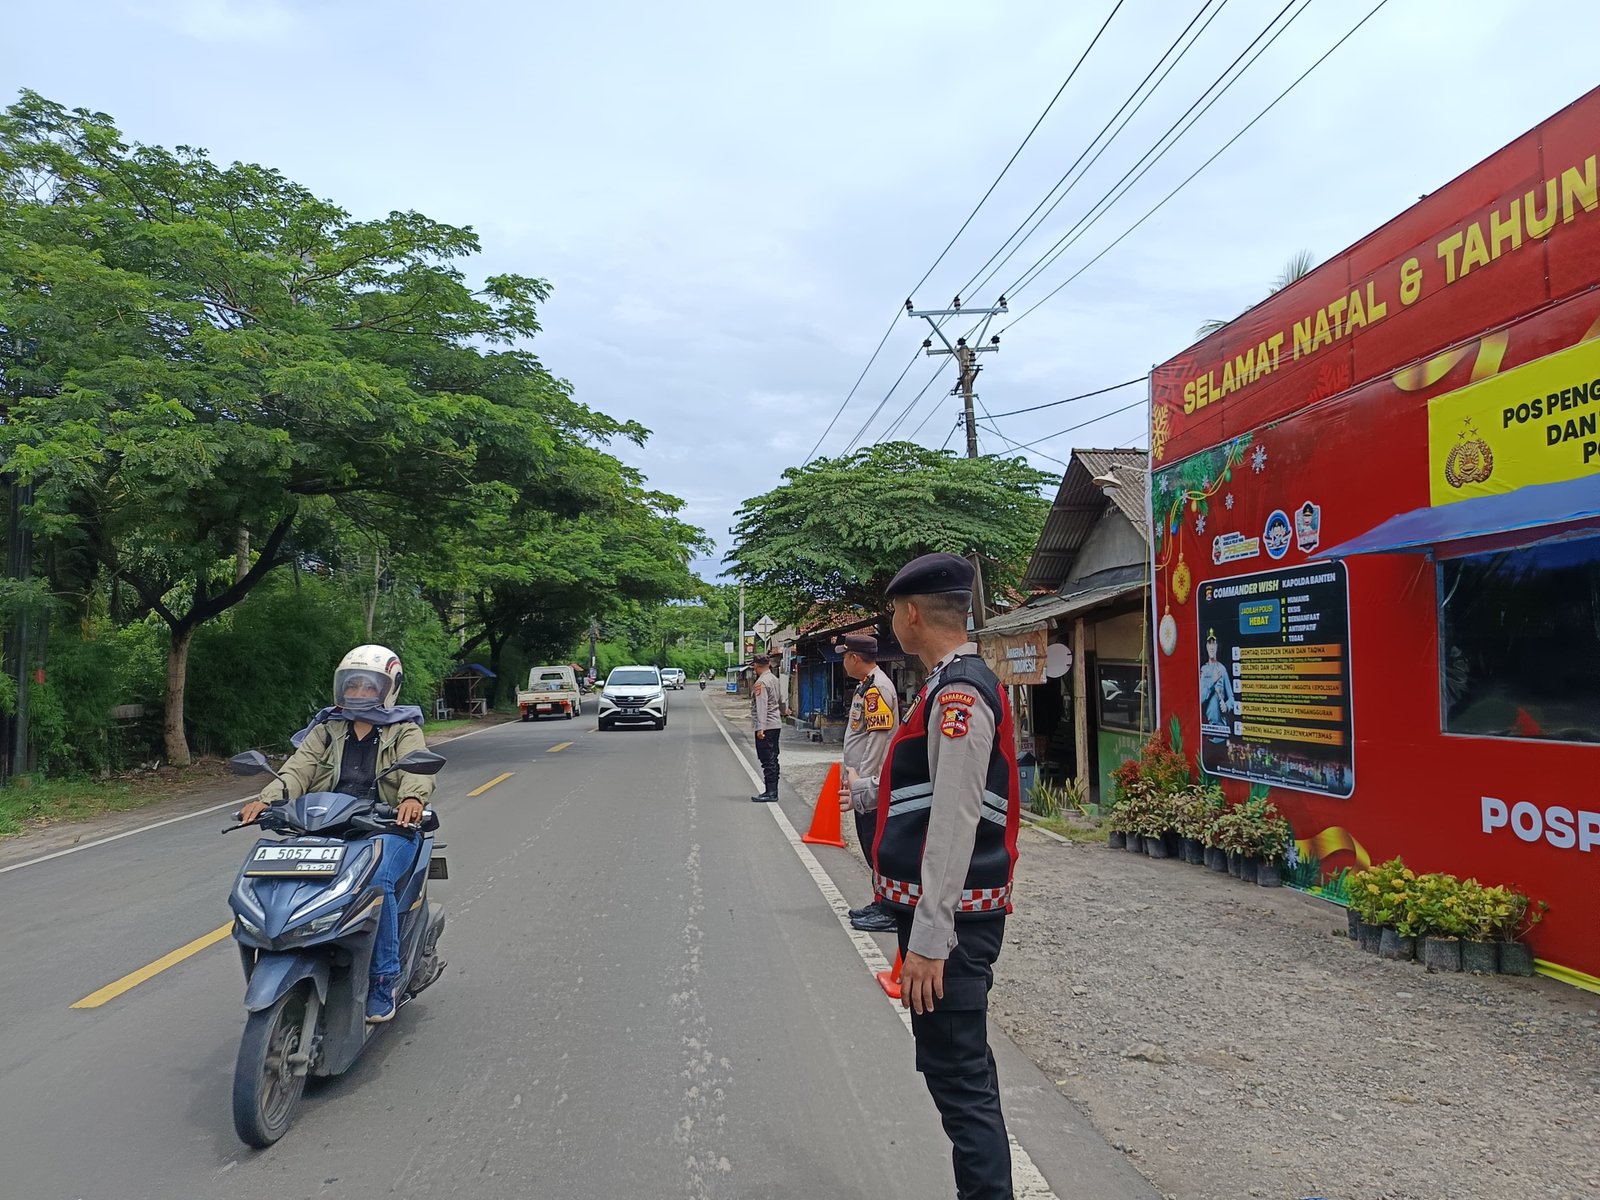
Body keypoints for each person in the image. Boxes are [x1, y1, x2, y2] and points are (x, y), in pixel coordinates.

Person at [874, 552, 1020, 1200]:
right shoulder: (946, 685)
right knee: (954, 1071)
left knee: (960, 1082)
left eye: (891, 613)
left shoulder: (958, 694)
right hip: (948, 920)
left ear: (910, 615)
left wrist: (932, 939)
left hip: (955, 926)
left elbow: (955, 820)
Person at [238, 644, 436, 1025]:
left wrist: (411, 798)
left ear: (388, 688)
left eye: (368, 687)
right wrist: (267, 801)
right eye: (352, 686)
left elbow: (419, 768)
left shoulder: (404, 730)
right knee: (279, 873)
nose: (358, 694)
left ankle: (383, 981)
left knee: (375, 881)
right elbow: (298, 769)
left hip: (387, 829)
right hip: (327, 827)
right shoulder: (327, 729)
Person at [836, 632, 899, 933]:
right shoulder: (867, 686)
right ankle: (881, 900)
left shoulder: (877, 689)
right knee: (869, 844)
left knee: (877, 845)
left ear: (854, 658)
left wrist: (864, 783)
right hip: (862, 781)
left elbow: (878, 741)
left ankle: (890, 909)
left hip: (871, 784)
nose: (843, 661)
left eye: (845, 656)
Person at [749, 653, 784, 802]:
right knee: (773, 758)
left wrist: (761, 728)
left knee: (767, 760)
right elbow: (781, 699)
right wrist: (784, 712)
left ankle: (771, 792)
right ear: (768, 664)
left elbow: (761, 706)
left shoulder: (761, 683)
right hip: (775, 724)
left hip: (767, 725)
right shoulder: (774, 679)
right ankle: (772, 790)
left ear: (756, 666)